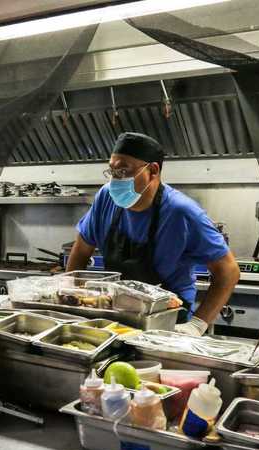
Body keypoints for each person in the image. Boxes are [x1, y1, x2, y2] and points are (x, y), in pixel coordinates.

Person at [67, 132, 239, 336]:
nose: (115, 180)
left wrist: (197, 325)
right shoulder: (107, 198)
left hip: (168, 323)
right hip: (118, 316)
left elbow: (228, 271)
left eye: (123, 170)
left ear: (153, 170)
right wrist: (72, 302)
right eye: (112, 171)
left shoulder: (181, 212)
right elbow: (80, 253)